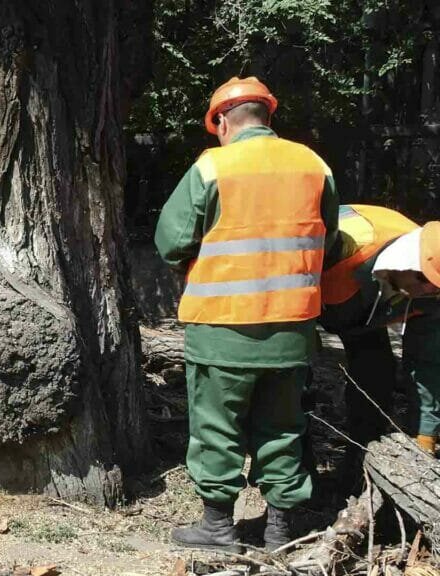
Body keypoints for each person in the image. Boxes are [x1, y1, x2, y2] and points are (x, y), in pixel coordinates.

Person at [155, 77, 339, 552]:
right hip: (291, 332)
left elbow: (171, 241)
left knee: (217, 429)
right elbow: (330, 241)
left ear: (220, 121)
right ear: (267, 115)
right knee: (283, 429)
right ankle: (279, 529)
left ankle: (217, 529)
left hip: (222, 330)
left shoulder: (213, 167)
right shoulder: (313, 165)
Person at [319, 204, 440, 460]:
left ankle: (362, 459)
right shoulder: (347, 241)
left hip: (361, 317)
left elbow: (426, 365)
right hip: (297, 302)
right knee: (289, 379)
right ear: (411, 264)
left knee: (377, 374)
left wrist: (425, 436)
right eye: (428, 283)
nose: (430, 292)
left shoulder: (432, 296)